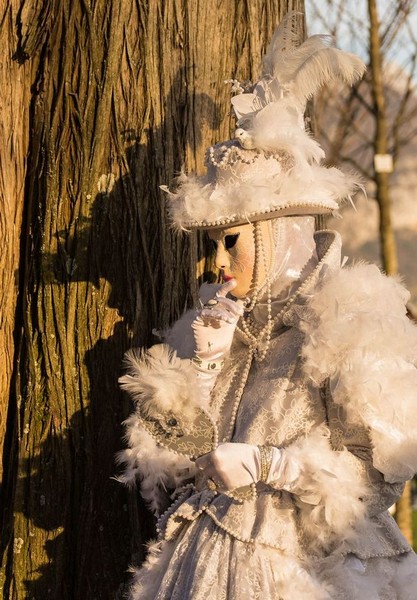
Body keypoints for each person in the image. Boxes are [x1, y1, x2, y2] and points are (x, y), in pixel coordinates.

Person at [117, 13, 417, 599]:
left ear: (280, 236)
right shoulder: (209, 328)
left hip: (307, 572)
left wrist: (271, 465)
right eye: (212, 246)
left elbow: (379, 475)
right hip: (202, 567)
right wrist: (200, 372)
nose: (218, 264)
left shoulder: (347, 320)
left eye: (232, 241)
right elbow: (169, 478)